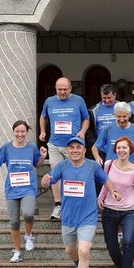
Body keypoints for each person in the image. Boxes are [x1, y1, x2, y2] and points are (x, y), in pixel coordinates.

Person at [41, 136, 119, 268]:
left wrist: (113, 191)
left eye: (78, 147)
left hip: (88, 217)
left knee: (83, 250)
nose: (75, 150)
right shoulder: (62, 166)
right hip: (68, 217)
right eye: (71, 148)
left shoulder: (91, 166)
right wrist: (45, 181)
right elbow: (47, 181)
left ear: (84, 150)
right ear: (68, 151)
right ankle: (78, 266)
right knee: (70, 250)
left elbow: (105, 180)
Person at [0, 120, 47, 263]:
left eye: (23, 131)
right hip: (12, 189)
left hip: (28, 188)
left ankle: (28, 235)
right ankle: (17, 251)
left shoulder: (32, 148)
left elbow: (37, 165)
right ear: (13, 132)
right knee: (14, 222)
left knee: (28, 213)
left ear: (27, 133)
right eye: (17, 131)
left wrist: (43, 156)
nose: (20, 134)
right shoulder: (7, 148)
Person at [98, 137, 134, 268]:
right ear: (115, 150)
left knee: (127, 242)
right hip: (109, 210)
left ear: (130, 149)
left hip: (128, 211)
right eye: (119, 148)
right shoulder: (108, 164)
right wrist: (100, 198)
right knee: (112, 247)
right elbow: (106, 183)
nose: (121, 150)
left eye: (124, 148)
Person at [39, 77, 90, 220]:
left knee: (76, 174)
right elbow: (43, 117)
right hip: (55, 144)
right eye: (59, 89)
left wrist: (83, 132)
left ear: (70, 88)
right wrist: (43, 131)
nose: (62, 92)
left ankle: (78, 206)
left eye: (65, 89)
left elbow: (86, 118)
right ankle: (58, 205)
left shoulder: (78, 100)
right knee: (55, 174)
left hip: (74, 145)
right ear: (55, 88)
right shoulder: (49, 101)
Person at [92, 101, 134, 173]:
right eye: (119, 116)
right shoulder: (108, 129)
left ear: (129, 115)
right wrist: (97, 158)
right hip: (112, 170)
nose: (121, 120)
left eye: (124, 116)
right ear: (115, 115)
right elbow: (95, 147)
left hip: (131, 170)